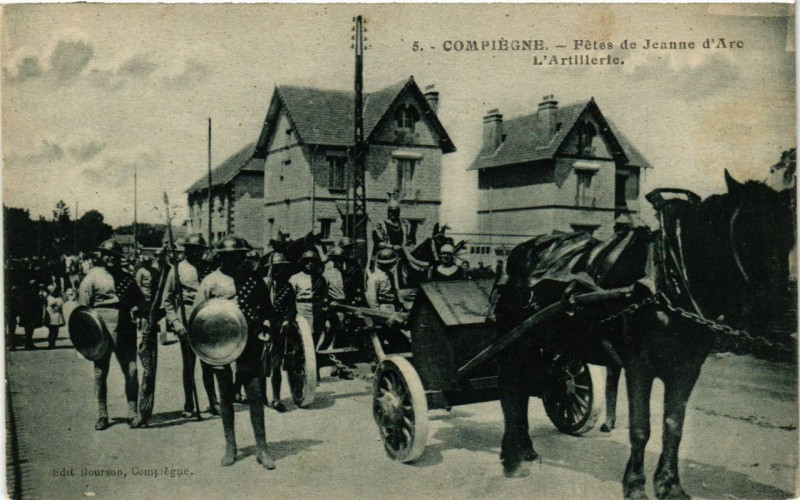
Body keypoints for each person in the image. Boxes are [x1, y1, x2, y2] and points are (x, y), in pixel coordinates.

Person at [194, 235, 274, 469]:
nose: (234, 259)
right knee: (226, 394)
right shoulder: (211, 281)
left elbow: (267, 310)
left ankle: (262, 448)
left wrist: (266, 326)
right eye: (228, 256)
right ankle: (231, 446)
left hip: (249, 340)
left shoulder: (254, 279)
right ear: (221, 257)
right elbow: (199, 314)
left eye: (238, 255)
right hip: (220, 343)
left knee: (255, 392)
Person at [78, 239, 146, 430]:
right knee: (100, 373)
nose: (110, 258)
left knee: (131, 371)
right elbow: (83, 309)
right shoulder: (92, 278)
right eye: (107, 255)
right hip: (101, 329)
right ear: (101, 256)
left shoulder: (127, 278)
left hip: (125, 328)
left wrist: (137, 308)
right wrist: (86, 337)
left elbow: (140, 300)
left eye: (114, 256)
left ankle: (132, 411)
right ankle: (102, 414)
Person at [161, 234, 219, 419]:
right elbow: (167, 300)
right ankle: (189, 403)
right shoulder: (177, 269)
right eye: (193, 249)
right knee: (189, 365)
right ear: (187, 250)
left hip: (207, 318)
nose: (197, 253)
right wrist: (175, 322)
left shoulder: (209, 269)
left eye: (200, 250)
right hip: (186, 318)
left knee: (208, 363)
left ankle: (213, 402)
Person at [263, 253, 296, 412]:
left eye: (281, 268)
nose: (278, 271)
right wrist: (264, 320)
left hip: (279, 328)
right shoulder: (264, 284)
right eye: (276, 268)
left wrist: (287, 320)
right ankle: (261, 395)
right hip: (263, 327)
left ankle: (276, 399)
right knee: (261, 363)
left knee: (276, 364)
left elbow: (292, 308)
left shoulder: (287, 286)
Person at [371, 199, 415, 269]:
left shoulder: (406, 224)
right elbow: (378, 242)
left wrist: (408, 247)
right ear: (388, 211)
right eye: (390, 211)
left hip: (403, 254)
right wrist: (393, 247)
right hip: (385, 255)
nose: (392, 214)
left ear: (398, 212)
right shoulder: (380, 225)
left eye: (395, 211)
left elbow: (411, 239)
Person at [43, 284, 65, 349]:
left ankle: (53, 342)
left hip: (57, 315)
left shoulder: (60, 298)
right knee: (52, 330)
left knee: (55, 330)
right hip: (51, 315)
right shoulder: (49, 297)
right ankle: (50, 343)